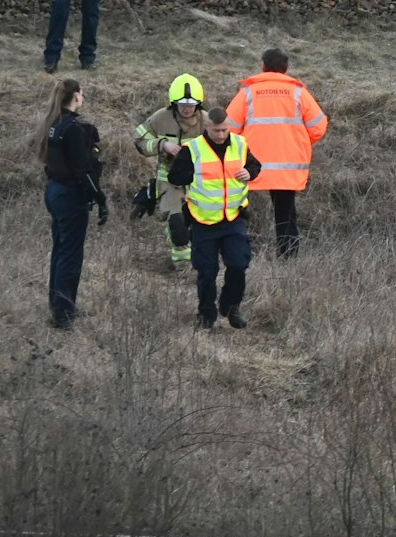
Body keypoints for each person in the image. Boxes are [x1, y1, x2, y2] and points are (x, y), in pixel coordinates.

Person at [224, 49, 328, 259]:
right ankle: (287, 257)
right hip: (287, 166)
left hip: (250, 166)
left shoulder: (248, 93)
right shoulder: (298, 93)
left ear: (263, 67)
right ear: (286, 68)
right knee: (285, 215)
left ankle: (239, 251)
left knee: (237, 209)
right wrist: (300, 143)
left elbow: (228, 128)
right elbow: (319, 127)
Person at [164, 106, 261, 330]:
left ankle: (231, 306)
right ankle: (206, 314)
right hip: (203, 222)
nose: (221, 135)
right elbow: (175, 176)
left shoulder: (239, 144)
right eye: (216, 130)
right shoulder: (193, 149)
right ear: (207, 127)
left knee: (238, 265)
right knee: (207, 272)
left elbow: (255, 165)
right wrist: (193, 176)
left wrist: (250, 172)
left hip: (233, 219)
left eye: (225, 130)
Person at [39, 78, 107, 330]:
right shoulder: (73, 129)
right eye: (82, 93)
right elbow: (83, 170)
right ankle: (64, 313)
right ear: (76, 96)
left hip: (54, 191)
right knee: (70, 253)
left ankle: (59, 305)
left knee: (60, 249)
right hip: (69, 196)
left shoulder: (54, 124)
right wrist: (99, 197)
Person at [132, 73, 209, 268]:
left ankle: (196, 256)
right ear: (173, 103)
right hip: (169, 180)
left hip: (198, 182)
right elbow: (140, 140)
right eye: (182, 104)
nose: (186, 108)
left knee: (196, 223)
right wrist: (162, 145)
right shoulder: (160, 118)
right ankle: (183, 267)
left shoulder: (206, 121)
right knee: (177, 224)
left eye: (191, 105)